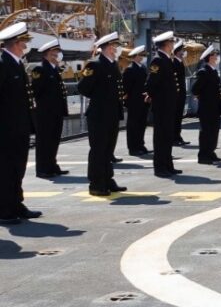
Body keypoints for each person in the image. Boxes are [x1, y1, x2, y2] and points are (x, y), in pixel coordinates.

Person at [0, 22, 42, 223]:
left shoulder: (16, 63)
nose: (26, 47)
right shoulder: (2, 64)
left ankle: (16, 203)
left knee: (18, 167)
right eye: (24, 43)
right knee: (6, 169)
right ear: (16, 43)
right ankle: (4, 209)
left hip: (19, 126)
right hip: (6, 128)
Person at [77, 32, 127, 196]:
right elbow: (83, 88)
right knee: (98, 150)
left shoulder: (113, 64)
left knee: (108, 150)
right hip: (98, 115)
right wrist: (100, 98)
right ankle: (96, 183)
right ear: (108, 47)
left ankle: (107, 179)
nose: (117, 49)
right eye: (115, 46)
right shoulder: (95, 65)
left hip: (112, 114)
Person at [31, 39, 69, 179]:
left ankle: (52, 165)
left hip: (56, 112)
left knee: (54, 140)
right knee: (44, 141)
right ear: (48, 54)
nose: (57, 55)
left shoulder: (54, 69)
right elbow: (36, 91)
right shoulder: (40, 69)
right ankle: (42, 168)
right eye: (55, 53)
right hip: (45, 113)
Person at [146, 32, 181, 178]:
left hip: (168, 105)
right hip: (162, 106)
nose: (173, 45)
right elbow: (151, 83)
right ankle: (160, 168)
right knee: (161, 138)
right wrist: (156, 98)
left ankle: (168, 165)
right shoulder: (158, 60)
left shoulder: (167, 59)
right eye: (171, 42)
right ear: (166, 44)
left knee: (167, 137)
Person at [192, 45, 221, 165]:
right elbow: (195, 89)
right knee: (206, 133)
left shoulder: (213, 71)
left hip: (214, 107)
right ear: (210, 57)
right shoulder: (204, 72)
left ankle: (211, 152)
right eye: (215, 55)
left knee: (214, 132)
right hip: (206, 108)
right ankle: (203, 156)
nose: (217, 57)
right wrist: (202, 96)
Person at [123, 45, 151, 157]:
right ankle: (133, 147)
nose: (143, 57)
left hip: (143, 101)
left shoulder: (142, 68)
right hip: (134, 102)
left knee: (142, 124)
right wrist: (128, 101)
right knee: (133, 126)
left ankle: (140, 145)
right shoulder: (130, 69)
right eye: (142, 55)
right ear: (136, 56)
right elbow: (126, 88)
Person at [172, 40, 189, 146]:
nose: (184, 52)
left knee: (179, 117)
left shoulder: (180, 62)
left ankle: (178, 136)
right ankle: (174, 137)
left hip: (181, 94)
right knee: (175, 117)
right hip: (176, 94)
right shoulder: (174, 62)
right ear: (178, 51)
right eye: (182, 50)